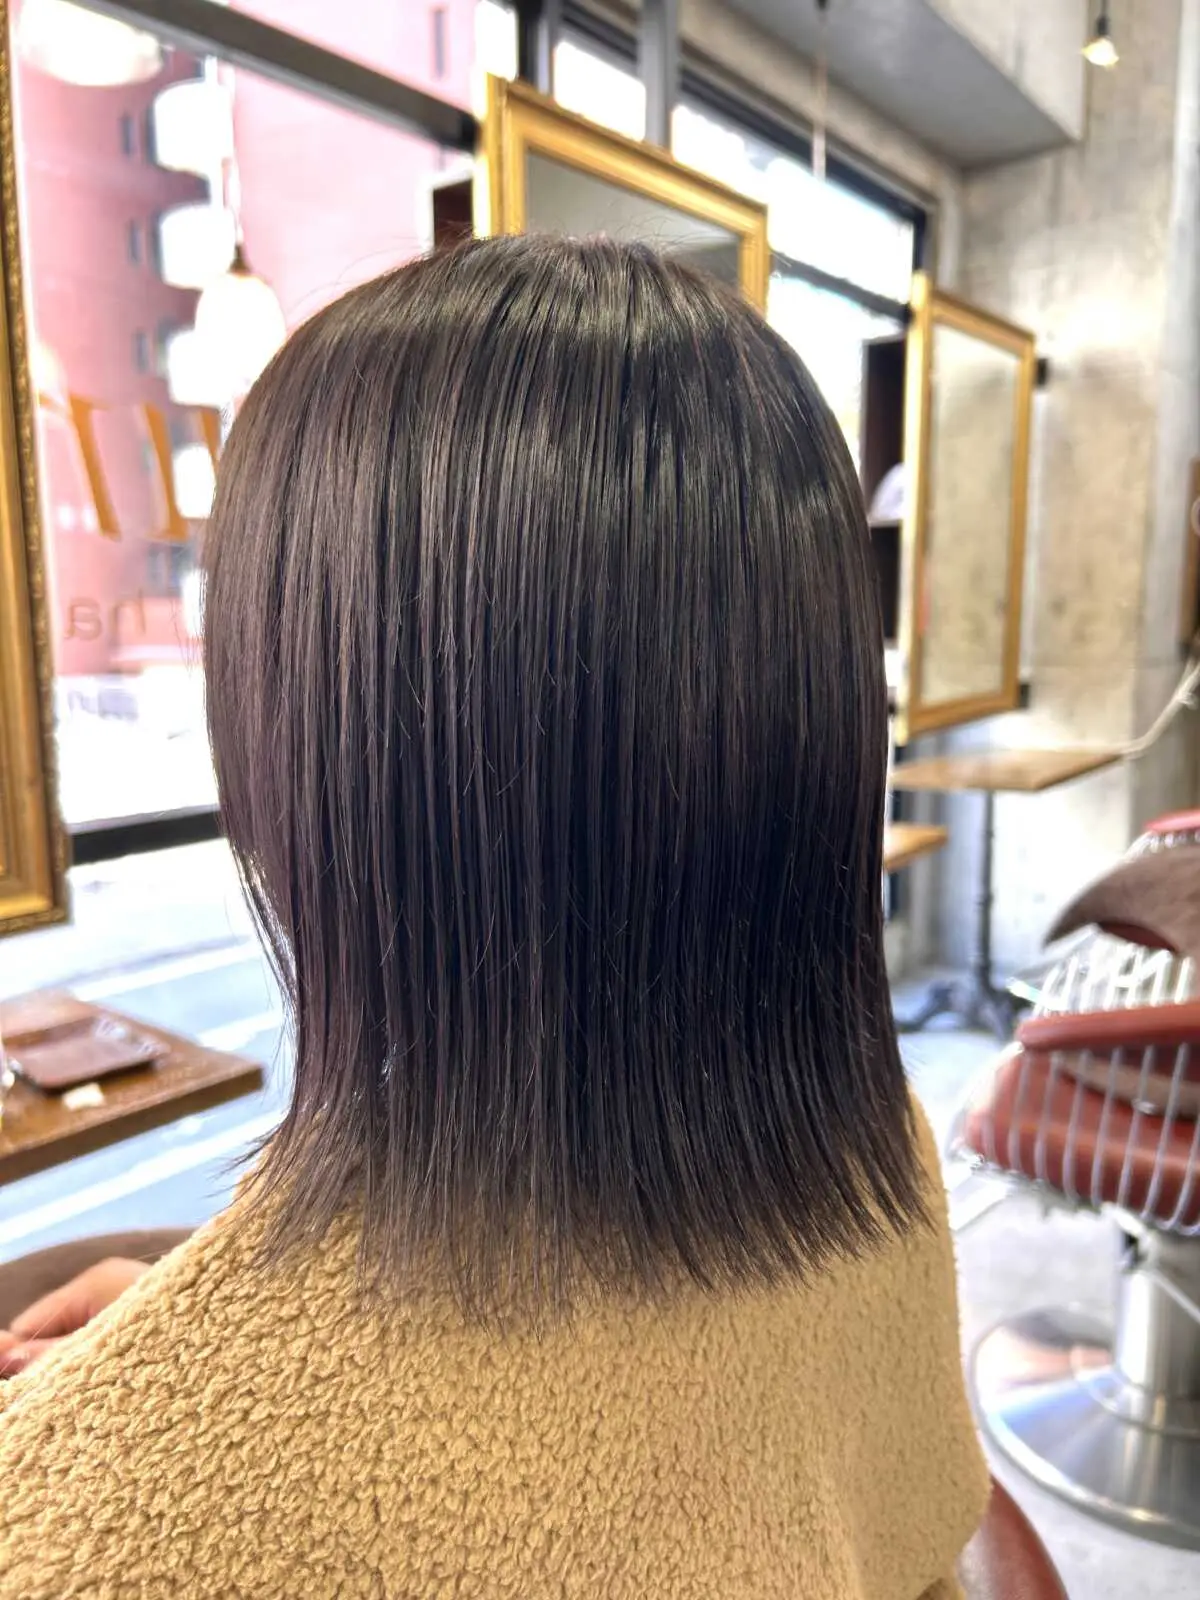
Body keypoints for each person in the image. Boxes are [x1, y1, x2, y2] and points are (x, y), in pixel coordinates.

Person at [0, 236, 987, 1598]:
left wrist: (165, 1406)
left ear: (317, 751)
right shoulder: (883, 1164)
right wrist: (187, 1344)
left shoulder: (81, 1531)